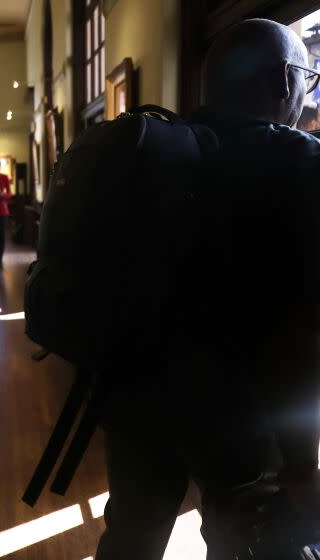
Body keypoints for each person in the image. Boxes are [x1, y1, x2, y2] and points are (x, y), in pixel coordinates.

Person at [95, 19, 320, 559]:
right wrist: (302, 462)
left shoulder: (154, 151)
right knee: (248, 540)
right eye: (308, 80)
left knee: (131, 534)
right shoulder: (299, 162)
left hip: (132, 391)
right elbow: (300, 323)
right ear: (286, 79)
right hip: (241, 409)